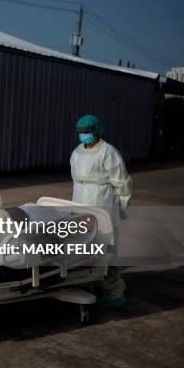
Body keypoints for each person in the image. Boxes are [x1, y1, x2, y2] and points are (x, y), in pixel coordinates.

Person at [70, 114, 132, 308]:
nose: (83, 136)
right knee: (83, 248)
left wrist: (122, 205)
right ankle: (84, 284)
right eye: (80, 133)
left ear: (96, 131)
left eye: (86, 132)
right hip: (80, 202)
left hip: (102, 204)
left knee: (106, 248)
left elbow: (122, 182)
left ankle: (114, 291)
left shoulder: (108, 152)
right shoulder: (77, 152)